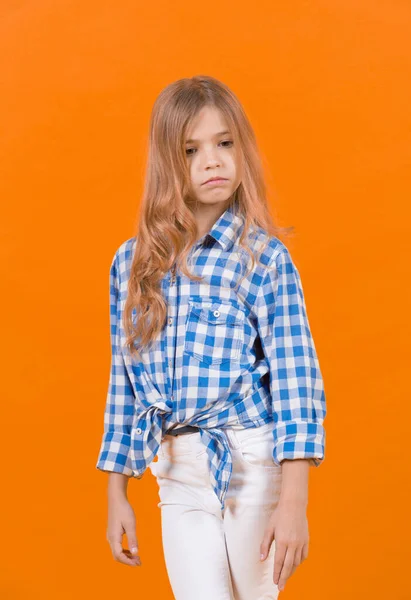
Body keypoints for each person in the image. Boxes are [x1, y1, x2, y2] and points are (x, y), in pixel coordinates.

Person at [95, 75, 327, 600]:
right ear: (167, 161)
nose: (213, 161)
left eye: (225, 143)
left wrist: (294, 502)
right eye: (192, 149)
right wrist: (117, 491)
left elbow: (296, 381)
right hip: (177, 471)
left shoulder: (263, 259)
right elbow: (123, 385)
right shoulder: (131, 265)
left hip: (252, 463)